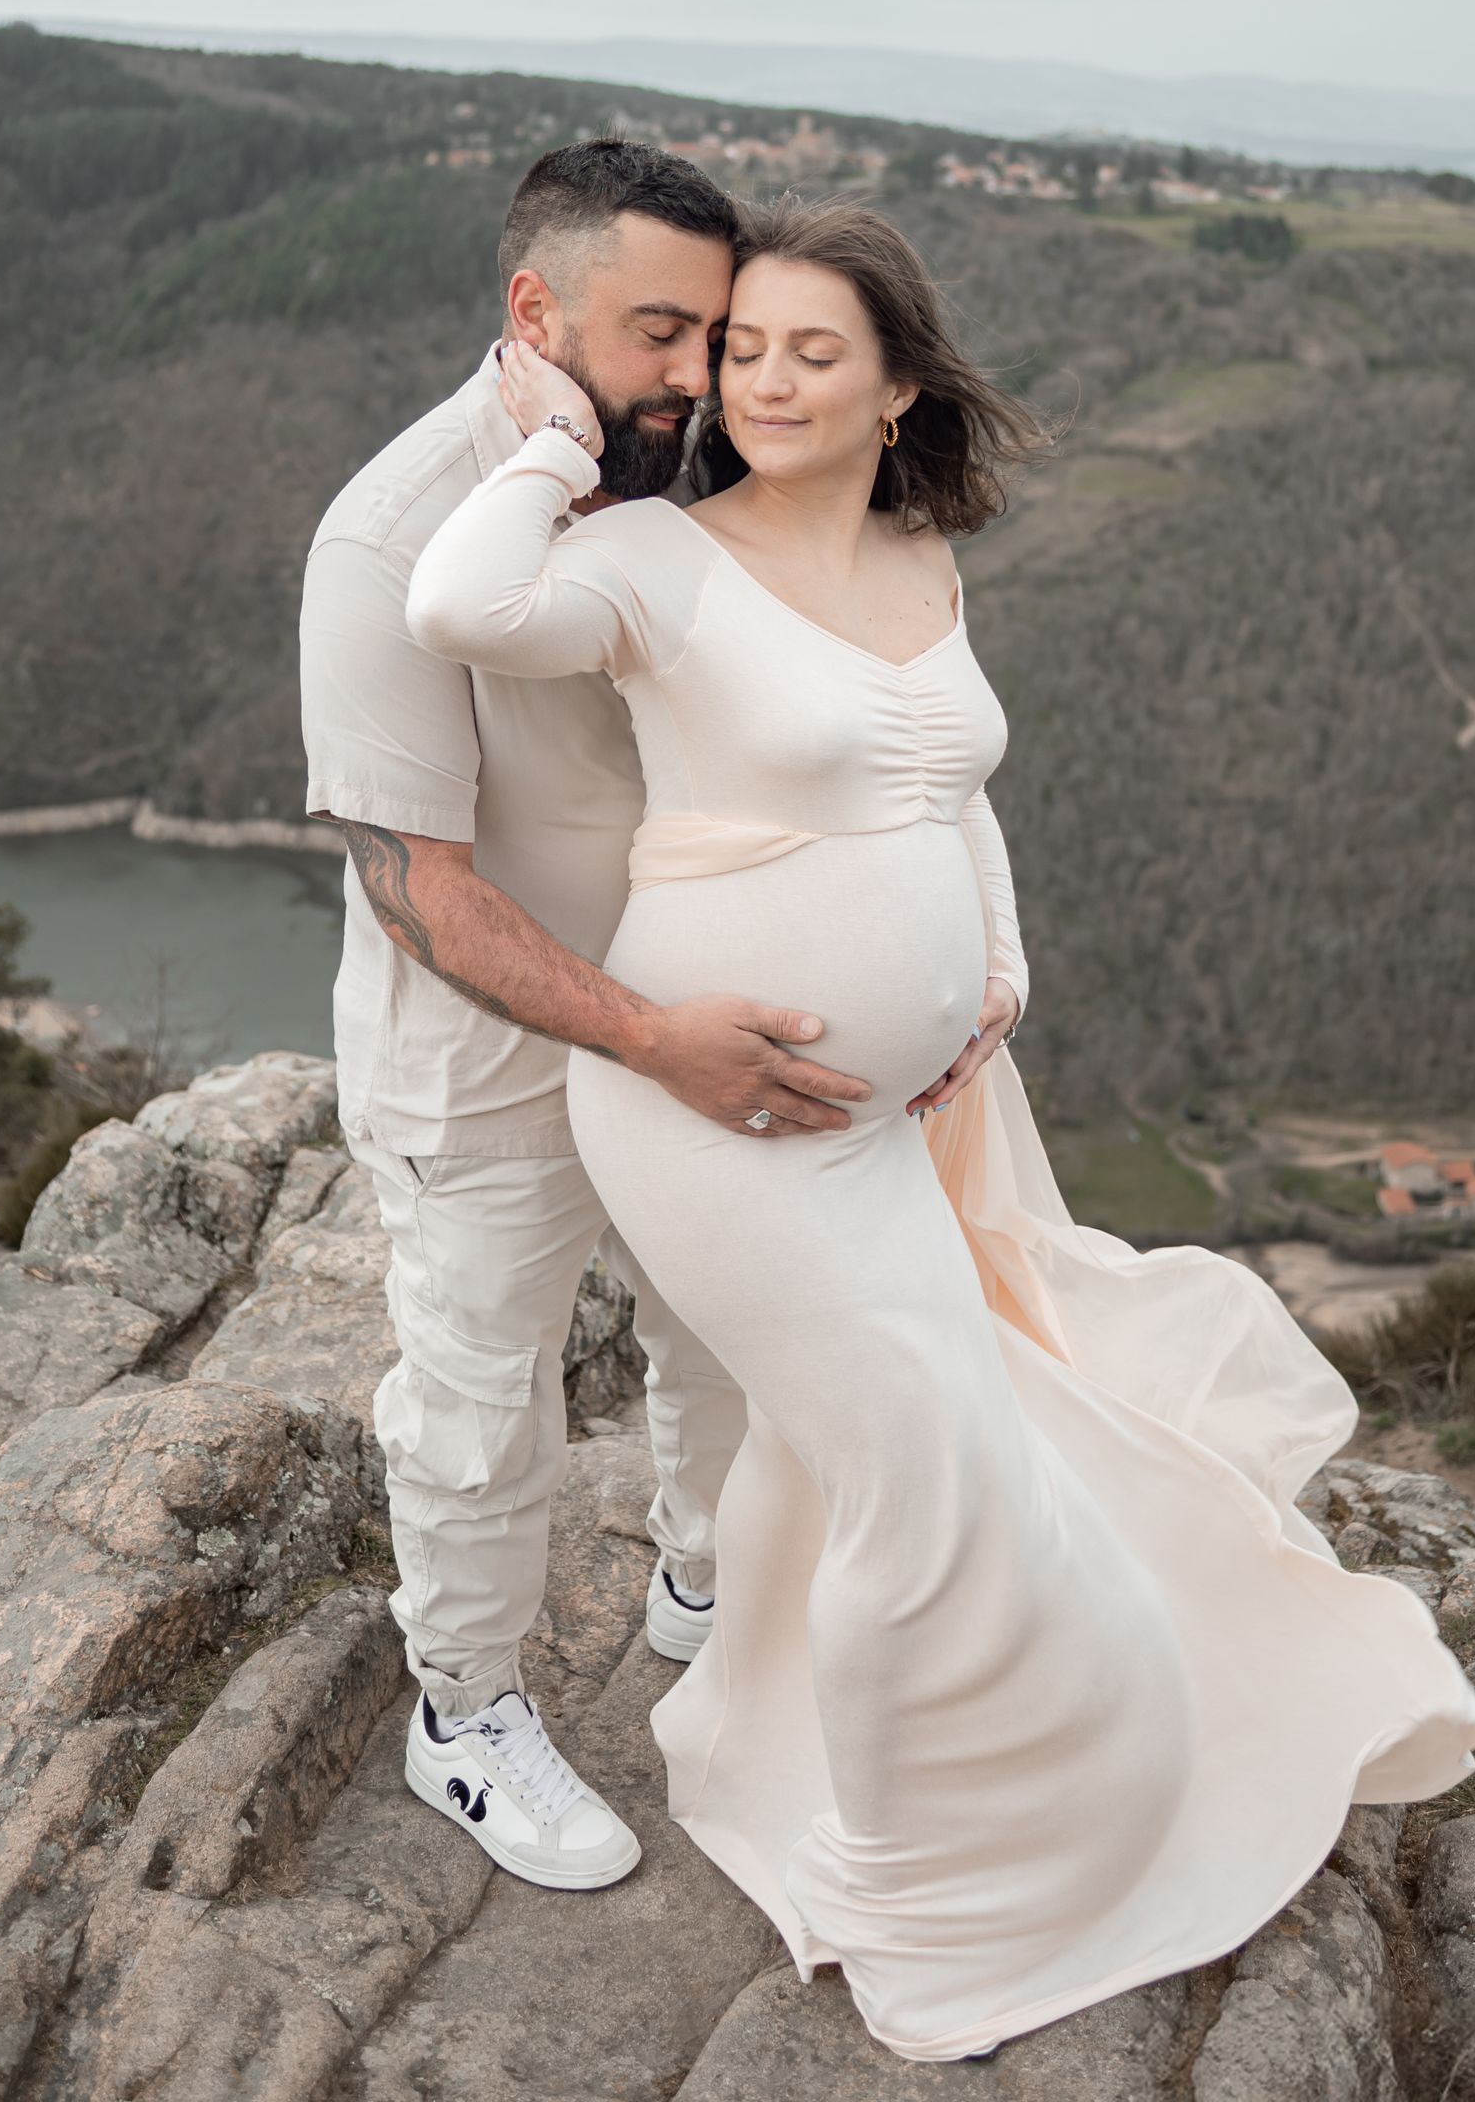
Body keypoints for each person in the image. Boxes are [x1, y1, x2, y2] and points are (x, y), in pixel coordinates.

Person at [403, 192, 1475, 2062]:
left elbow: (948, 788)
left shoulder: (921, 558)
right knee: (924, 1484)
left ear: (898, 385)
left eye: (811, 351)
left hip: (886, 1121)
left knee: (962, 1447)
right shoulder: (657, 557)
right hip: (712, 1119)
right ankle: (916, 1890)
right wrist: (560, 433)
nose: (762, 381)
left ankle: (995, 1793)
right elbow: (458, 604)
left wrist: (996, 960)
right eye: (742, 349)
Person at [298, 139, 875, 1894]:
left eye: (716, 332)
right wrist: (646, 1037)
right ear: (535, 311)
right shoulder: (388, 538)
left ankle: (708, 1592)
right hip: (486, 1070)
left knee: (723, 1335)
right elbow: (420, 890)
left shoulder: (682, 475)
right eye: (659, 333)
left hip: (692, 1028)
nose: (699, 376)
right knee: (483, 1405)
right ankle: (464, 1714)